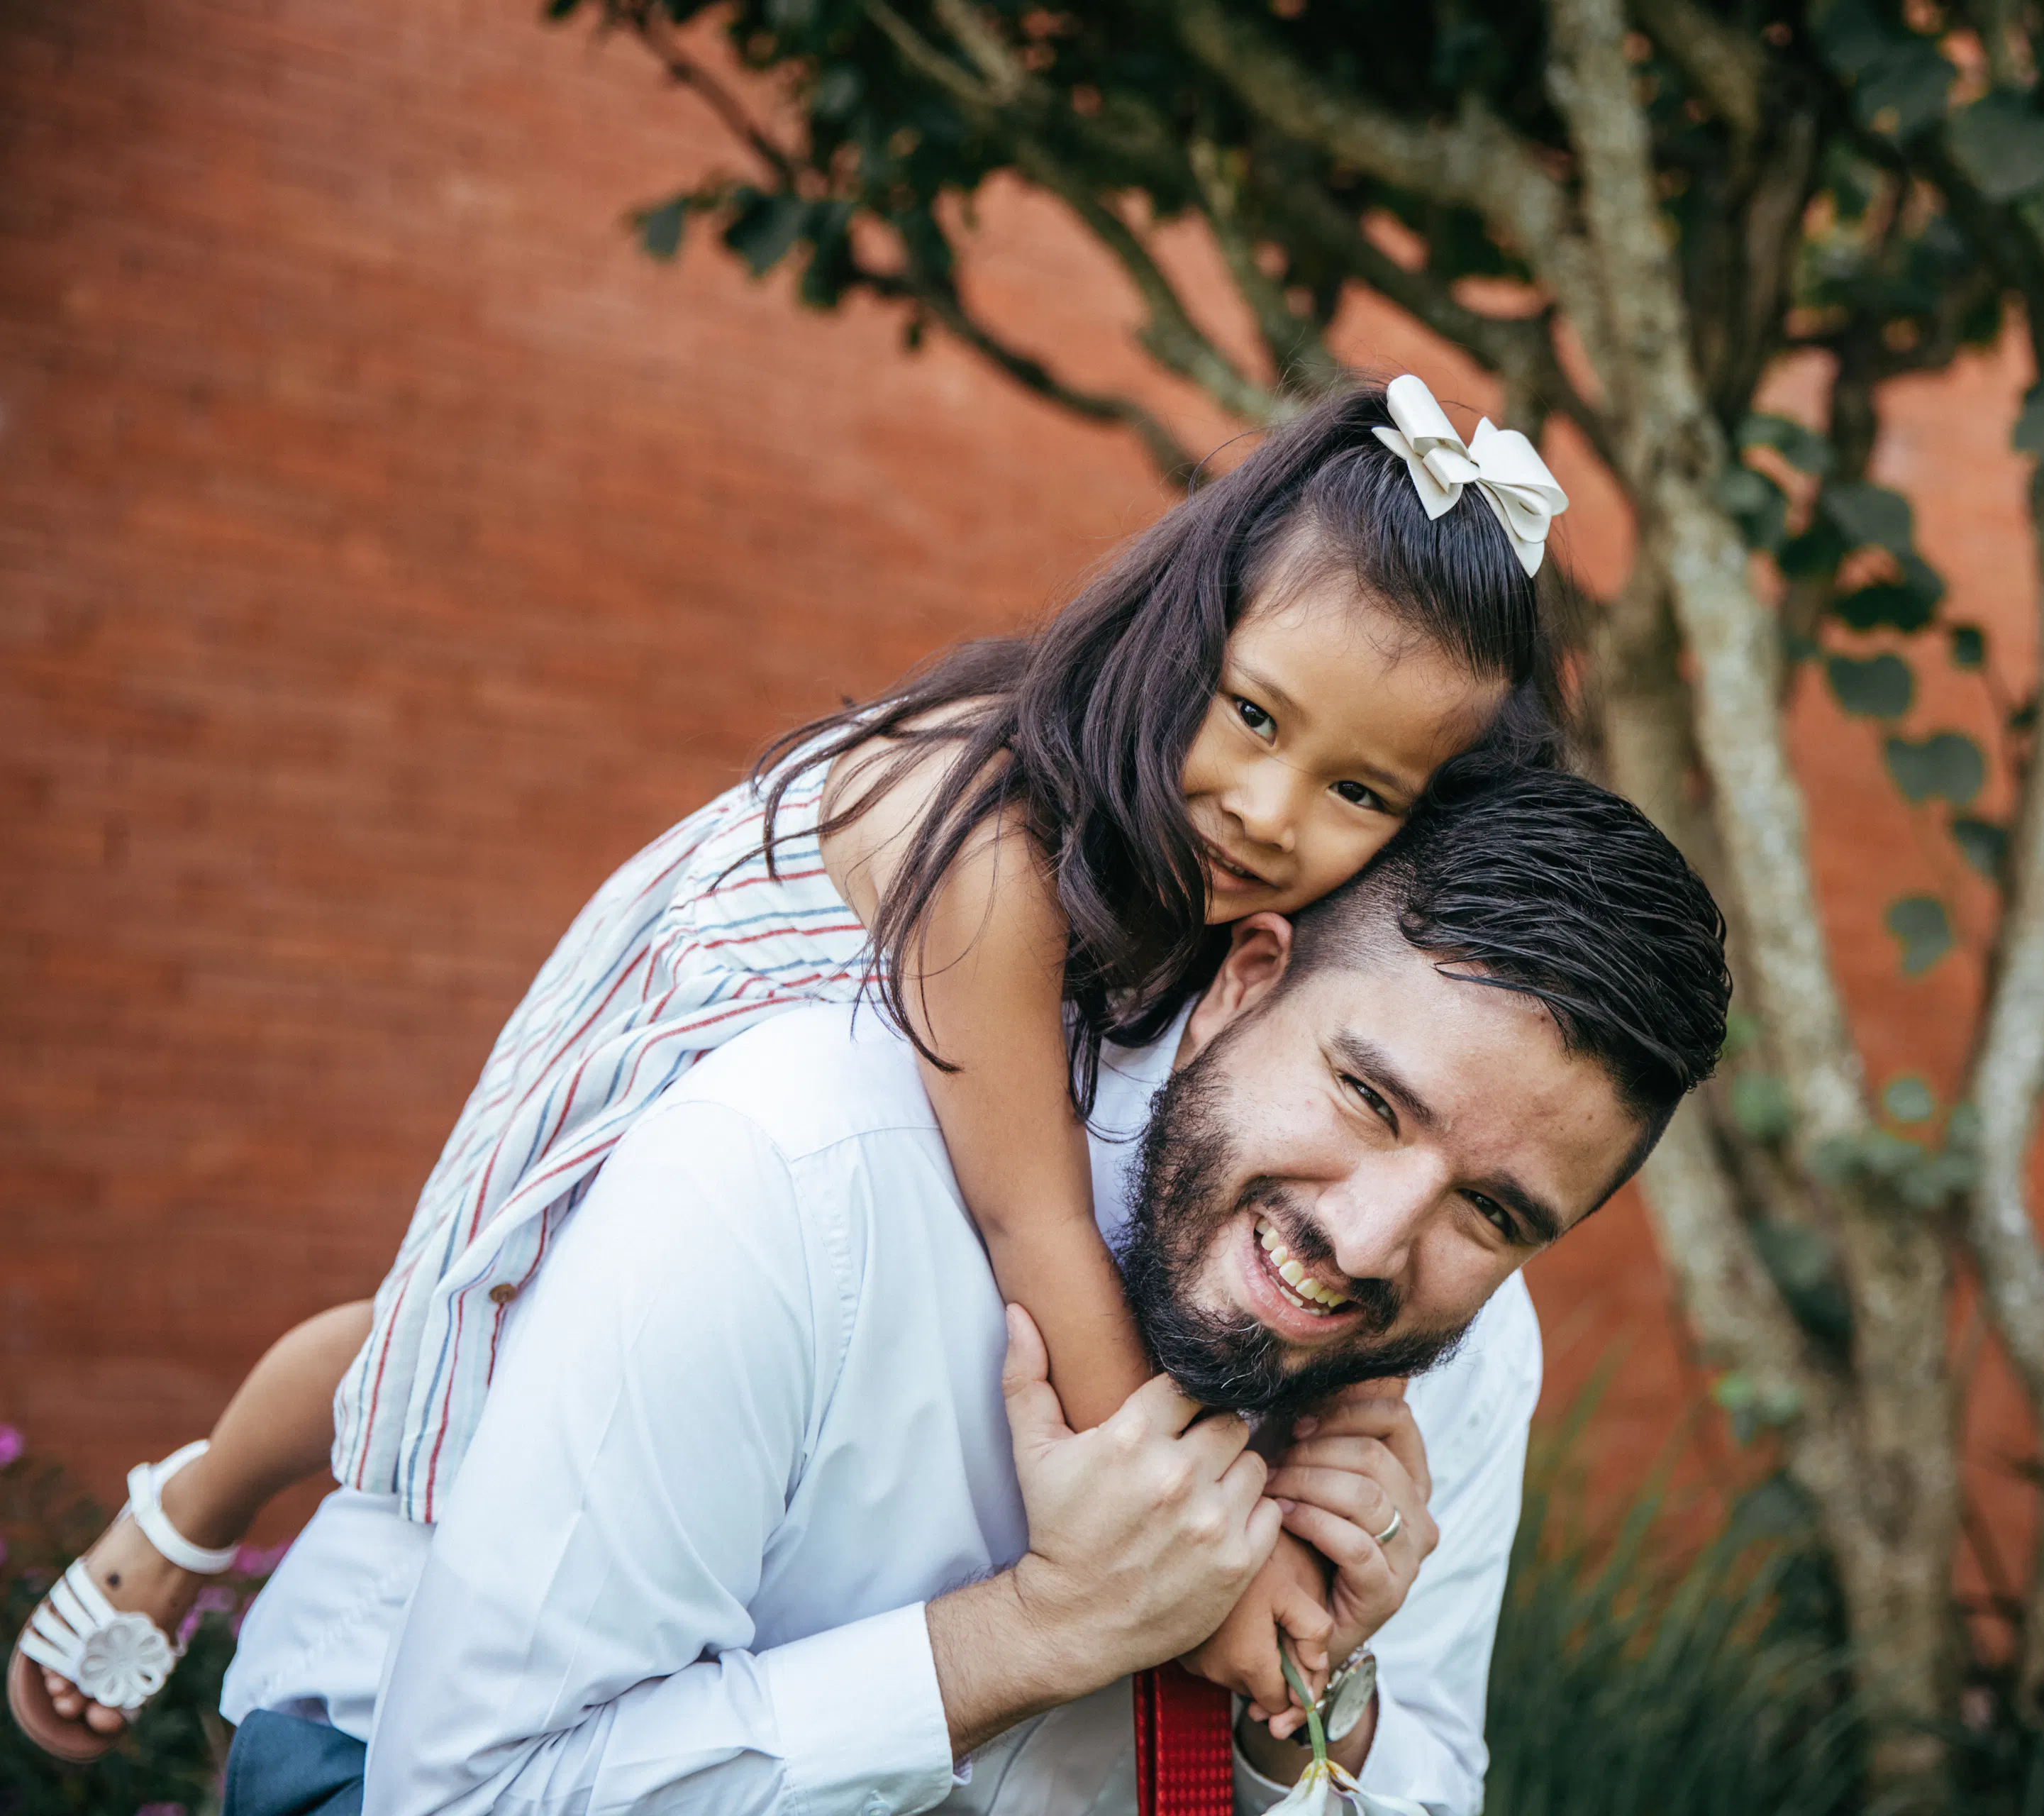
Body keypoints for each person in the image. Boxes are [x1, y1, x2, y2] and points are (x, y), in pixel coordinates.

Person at [9, 375, 1574, 1762]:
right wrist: (1212, 1577)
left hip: (851, 1084)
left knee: (457, 1344)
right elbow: (1034, 1226)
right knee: (443, 1347)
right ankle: (190, 1509)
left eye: (1361, 791)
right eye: (1253, 714)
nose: (1270, 811)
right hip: (678, 1036)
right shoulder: (994, 838)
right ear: (1187, 622)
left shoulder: (1200, 872)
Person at [216, 760, 1731, 1816]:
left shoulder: (1467, 1354)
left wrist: (1308, 1709)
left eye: (1493, 1210)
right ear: (1248, 980)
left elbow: (1407, 1789)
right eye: (1369, 1098)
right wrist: (1029, 1636)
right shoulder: (808, 1160)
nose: (1370, 1239)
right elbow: (468, 1790)